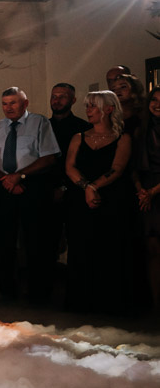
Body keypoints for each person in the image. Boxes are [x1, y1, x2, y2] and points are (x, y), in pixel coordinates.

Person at [0, 86, 60, 305]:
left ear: (25, 103)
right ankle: (7, 293)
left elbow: (48, 158)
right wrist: (7, 180)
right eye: (5, 104)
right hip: (5, 188)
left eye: (13, 103)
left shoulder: (39, 123)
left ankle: (38, 294)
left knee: (36, 242)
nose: (8, 108)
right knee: (4, 243)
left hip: (32, 187)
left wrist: (20, 176)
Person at [64, 90, 133, 313]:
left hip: (111, 200)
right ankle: (81, 300)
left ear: (109, 109)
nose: (88, 110)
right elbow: (70, 167)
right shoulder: (78, 137)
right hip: (80, 200)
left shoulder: (122, 138)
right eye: (87, 106)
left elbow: (118, 168)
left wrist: (94, 187)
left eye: (93, 106)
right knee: (81, 247)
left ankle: (109, 301)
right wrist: (87, 187)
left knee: (109, 249)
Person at [46, 83, 90, 262]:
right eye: (54, 96)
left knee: (78, 242)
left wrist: (64, 187)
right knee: (46, 243)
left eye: (62, 96)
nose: (56, 100)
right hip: (46, 192)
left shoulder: (84, 128)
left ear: (73, 100)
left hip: (75, 192)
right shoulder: (42, 127)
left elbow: (84, 164)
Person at [132, 87, 160, 314]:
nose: (157, 104)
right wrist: (141, 190)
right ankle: (156, 302)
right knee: (152, 249)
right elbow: (132, 165)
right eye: (154, 100)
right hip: (145, 191)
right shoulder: (141, 130)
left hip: (156, 190)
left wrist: (152, 192)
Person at [111, 73, 145, 139]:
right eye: (113, 89)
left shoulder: (144, 114)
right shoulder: (110, 115)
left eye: (123, 87)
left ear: (134, 89)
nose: (117, 91)